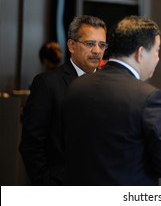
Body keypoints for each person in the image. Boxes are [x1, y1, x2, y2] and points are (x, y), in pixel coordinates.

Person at [62, 16, 161, 186]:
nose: (158, 58)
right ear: (140, 53)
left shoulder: (76, 87)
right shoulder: (149, 97)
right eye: (157, 50)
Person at [19, 15, 107, 185]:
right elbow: (31, 145)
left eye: (102, 44)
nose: (97, 50)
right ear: (71, 45)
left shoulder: (111, 85)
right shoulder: (47, 83)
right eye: (90, 44)